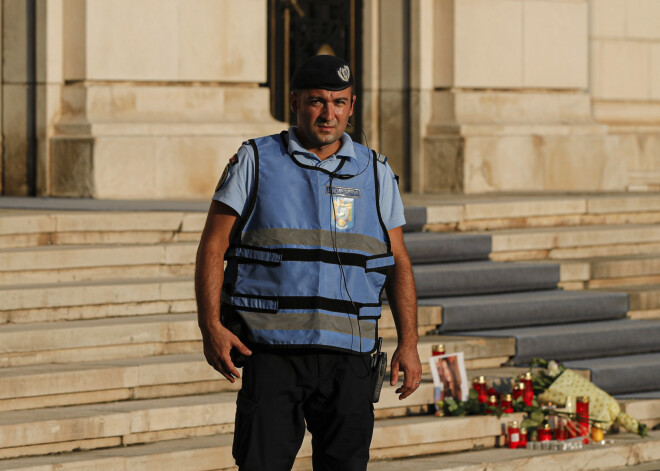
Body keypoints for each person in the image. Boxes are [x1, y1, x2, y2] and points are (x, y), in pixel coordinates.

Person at [195, 54, 421, 471]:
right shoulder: (256, 159)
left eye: (339, 102)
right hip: (273, 354)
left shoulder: (376, 172)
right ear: (295, 101)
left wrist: (409, 342)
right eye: (317, 101)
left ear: (352, 108)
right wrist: (211, 325)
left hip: (349, 358)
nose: (328, 113)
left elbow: (398, 262)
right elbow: (213, 246)